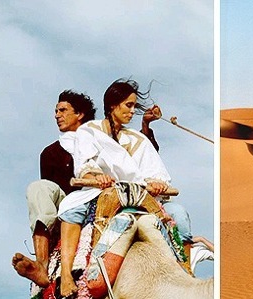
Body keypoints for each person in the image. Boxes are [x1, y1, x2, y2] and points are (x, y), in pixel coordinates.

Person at [57, 78, 193, 297]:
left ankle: (187, 274)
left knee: (179, 213)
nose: (132, 112)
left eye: (133, 106)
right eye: (128, 105)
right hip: (100, 191)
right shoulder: (89, 131)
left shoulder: (136, 138)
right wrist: (95, 175)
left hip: (140, 195)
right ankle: (65, 275)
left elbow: (153, 171)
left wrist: (157, 183)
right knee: (70, 209)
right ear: (113, 105)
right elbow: (85, 164)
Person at [12, 90, 96, 287]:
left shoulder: (100, 141)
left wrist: (146, 126)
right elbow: (50, 191)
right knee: (38, 188)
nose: (57, 115)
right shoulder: (50, 153)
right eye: (56, 111)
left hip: (102, 197)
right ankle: (41, 264)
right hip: (67, 204)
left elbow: (132, 158)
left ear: (80, 114)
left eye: (63, 110)